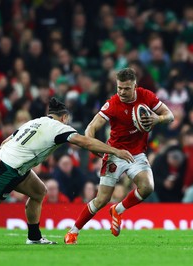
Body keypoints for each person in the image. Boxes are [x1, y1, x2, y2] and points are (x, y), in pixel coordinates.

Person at [0, 97, 134, 248]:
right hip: (8, 168)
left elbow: (10, 138)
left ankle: (34, 237)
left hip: (10, 163)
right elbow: (85, 142)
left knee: (39, 191)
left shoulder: (35, 121)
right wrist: (115, 151)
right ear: (65, 117)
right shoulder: (59, 128)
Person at [64, 68, 174, 244]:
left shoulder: (146, 96)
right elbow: (90, 128)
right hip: (115, 154)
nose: (122, 92)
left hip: (137, 154)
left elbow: (170, 115)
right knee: (101, 199)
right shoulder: (113, 104)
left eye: (126, 88)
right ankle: (73, 231)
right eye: (119, 88)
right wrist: (92, 146)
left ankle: (118, 209)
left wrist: (157, 119)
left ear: (135, 86)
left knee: (147, 187)